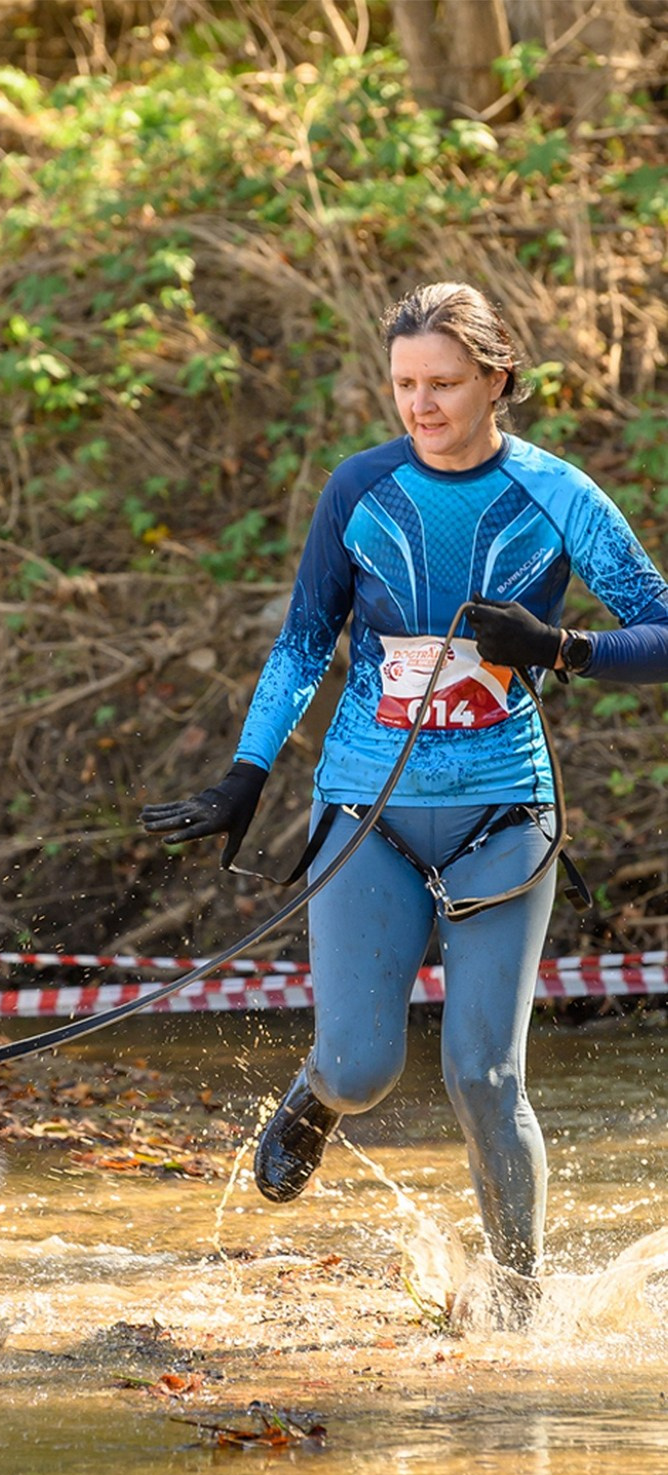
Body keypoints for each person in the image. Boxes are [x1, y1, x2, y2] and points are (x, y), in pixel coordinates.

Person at [144, 282, 668, 1321]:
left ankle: (518, 1305)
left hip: (503, 811)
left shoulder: (558, 493)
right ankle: (315, 1095)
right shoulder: (359, 487)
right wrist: (247, 772)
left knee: (484, 1076)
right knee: (360, 1065)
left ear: (495, 380)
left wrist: (561, 646)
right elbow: (304, 641)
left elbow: (662, 629)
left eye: (443, 384)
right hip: (365, 808)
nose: (421, 405)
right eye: (404, 385)